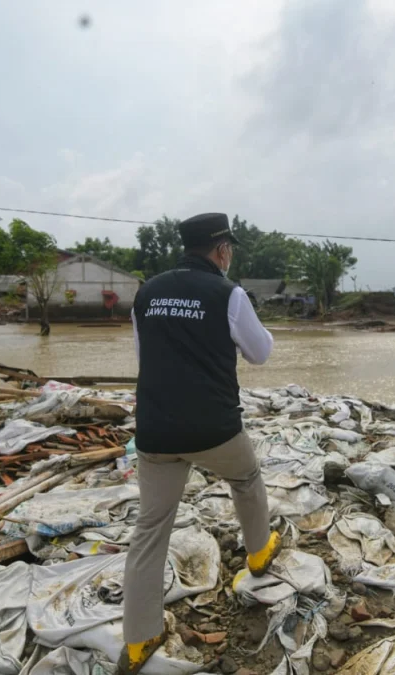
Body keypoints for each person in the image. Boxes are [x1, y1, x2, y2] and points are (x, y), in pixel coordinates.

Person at [121, 213, 280, 674]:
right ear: (223, 250)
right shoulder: (227, 294)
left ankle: (139, 638)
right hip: (215, 431)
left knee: (151, 528)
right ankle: (257, 554)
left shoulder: (147, 292)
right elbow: (261, 353)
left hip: (156, 433)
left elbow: (143, 355)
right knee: (247, 479)